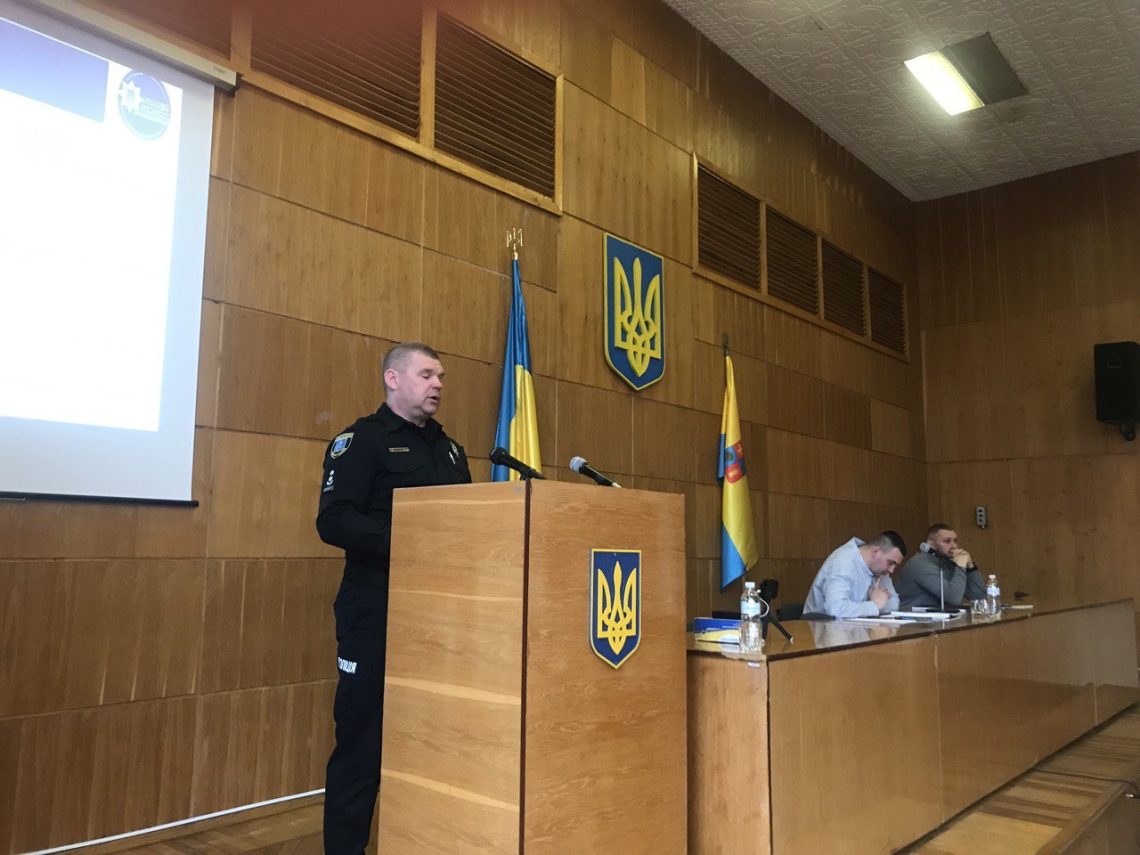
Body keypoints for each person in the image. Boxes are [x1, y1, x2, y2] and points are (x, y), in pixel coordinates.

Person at [316, 342, 471, 855]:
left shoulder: (450, 451)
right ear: (393, 378)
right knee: (362, 744)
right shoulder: (361, 441)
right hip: (376, 611)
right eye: (426, 374)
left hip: (442, 615)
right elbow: (333, 519)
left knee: (434, 738)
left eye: (441, 376)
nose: (438, 384)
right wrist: (408, 540)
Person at [802, 531, 906, 618]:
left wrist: (875, 604)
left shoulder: (880, 569)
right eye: (890, 563)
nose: (892, 570)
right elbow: (836, 610)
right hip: (819, 630)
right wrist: (873, 605)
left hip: (853, 630)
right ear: (876, 551)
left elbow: (893, 603)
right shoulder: (843, 562)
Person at [895, 523, 985, 611]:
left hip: (940, 617)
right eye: (947, 541)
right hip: (914, 618)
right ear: (931, 544)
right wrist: (960, 565)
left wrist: (970, 566)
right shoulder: (919, 564)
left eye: (955, 541)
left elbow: (979, 597)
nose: (954, 546)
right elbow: (953, 598)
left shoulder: (948, 561)